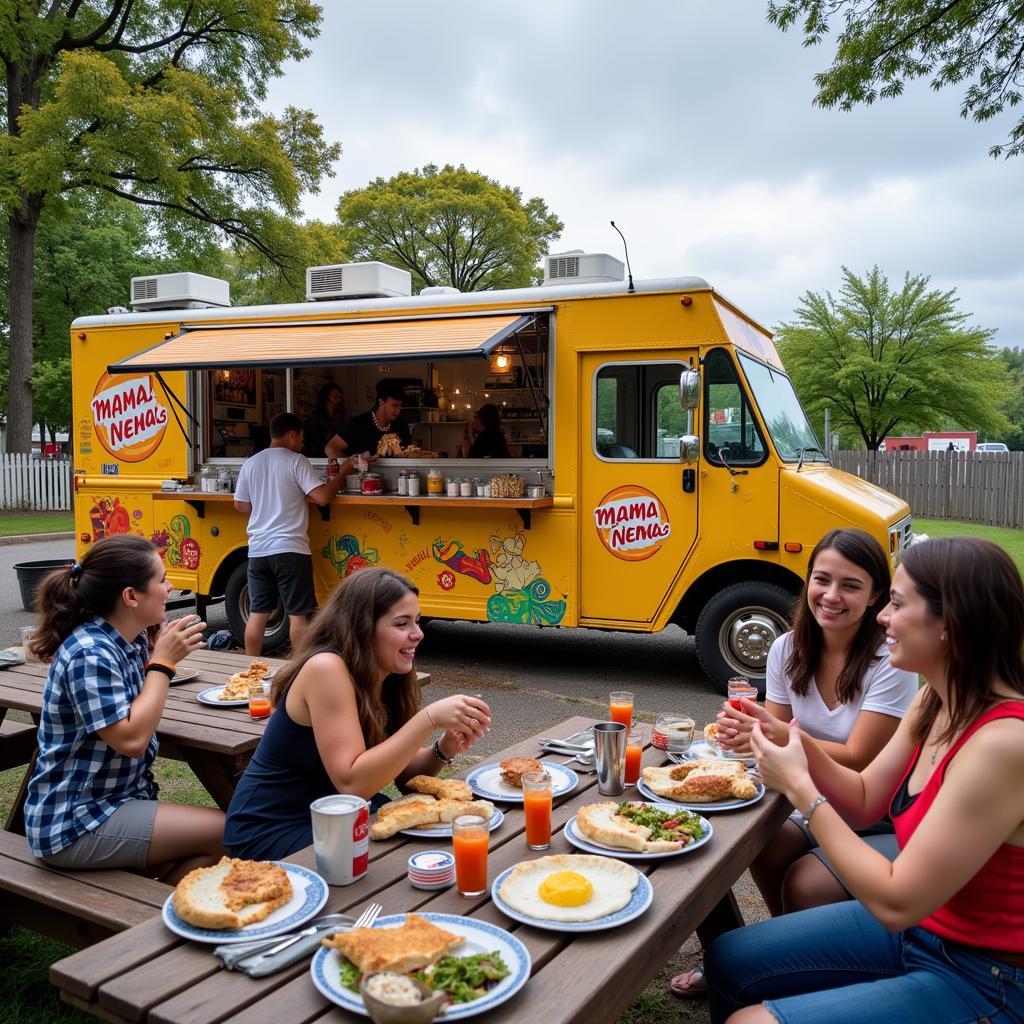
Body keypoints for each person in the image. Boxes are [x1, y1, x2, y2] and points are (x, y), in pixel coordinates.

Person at [705, 536, 1024, 1024]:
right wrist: (792, 742)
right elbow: (863, 802)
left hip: (986, 976)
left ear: (949, 625)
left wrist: (802, 787)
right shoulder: (933, 700)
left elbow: (896, 902)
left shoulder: (1003, 743)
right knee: (728, 958)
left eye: (896, 603)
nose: (881, 617)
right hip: (926, 928)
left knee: (748, 1022)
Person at [671, 528, 918, 998]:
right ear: (807, 582)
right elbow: (770, 734)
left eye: (851, 585)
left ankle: (789, 971)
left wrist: (781, 736)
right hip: (806, 801)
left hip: (876, 815)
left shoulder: (891, 659)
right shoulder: (787, 648)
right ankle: (781, 960)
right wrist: (743, 734)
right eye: (822, 580)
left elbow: (861, 757)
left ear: (875, 598)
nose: (832, 595)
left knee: (806, 883)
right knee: (753, 839)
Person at [224, 567, 491, 860]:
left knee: (436, 839)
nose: (418, 634)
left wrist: (443, 748)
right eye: (402, 624)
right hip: (275, 828)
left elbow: (404, 779)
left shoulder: (389, 673)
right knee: (399, 856)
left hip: (338, 815)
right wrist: (427, 719)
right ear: (362, 627)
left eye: (416, 621)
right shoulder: (326, 668)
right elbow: (352, 783)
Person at [23, 535, 224, 882]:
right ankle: (167, 924)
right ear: (131, 596)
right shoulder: (91, 653)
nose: (170, 586)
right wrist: (162, 663)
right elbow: (130, 739)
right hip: (73, 821)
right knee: (226, 833)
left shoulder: (126, 643)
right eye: (161, 579)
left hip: (116, 804)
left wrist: (157, 657)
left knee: (215, 842)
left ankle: (164, 911)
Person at [234, 411, 352, 655]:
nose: (302, 443)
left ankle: (248, 669)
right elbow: (322, 497)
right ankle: (298, 670)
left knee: (257, 614)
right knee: (298, 616)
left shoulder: (251, 463)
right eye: (300, 438)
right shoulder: (297, 461)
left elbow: (241, 505)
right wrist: (344, 471)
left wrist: (267, 506)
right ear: (291, 435)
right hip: (290, 549)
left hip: (258, 550)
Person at [325, 379, 412, 459]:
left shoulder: (401, 425)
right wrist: (353, 464)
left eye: (400, 406)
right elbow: (330, 448)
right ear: (381, 402)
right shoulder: (358, 423)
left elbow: (407, 452)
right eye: (395, 405)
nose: (398, 410)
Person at [302, 381, 346, 458]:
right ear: (326, 396)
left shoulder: (342, 416)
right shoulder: (316, 418)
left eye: (340, 397)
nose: (339, 399)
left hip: (336, 456)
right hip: (319, 457)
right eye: (335, 396)